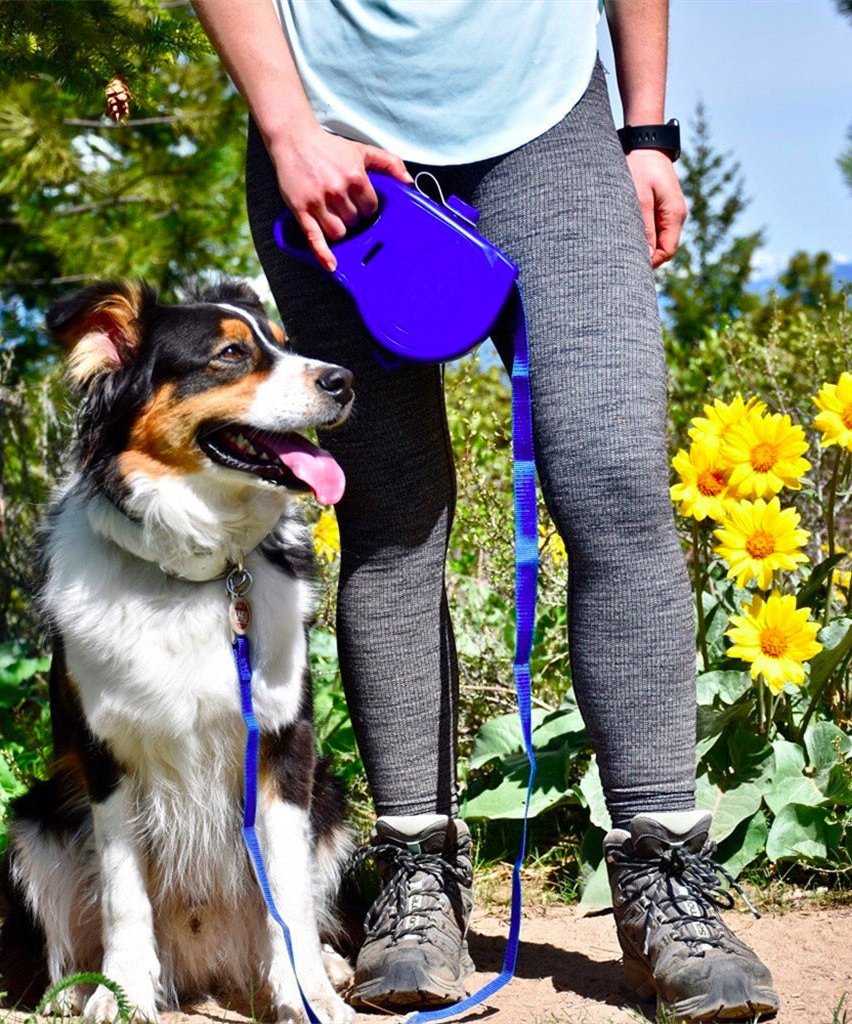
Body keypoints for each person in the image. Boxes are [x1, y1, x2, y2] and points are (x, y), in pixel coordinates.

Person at [192, 1, 779, 1019]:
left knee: (613, 477)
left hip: (548, 119)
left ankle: (666, 878)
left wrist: (645, 133)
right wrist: (287, 127)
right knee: (390, 510)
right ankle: (417, 870)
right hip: (329, 127)